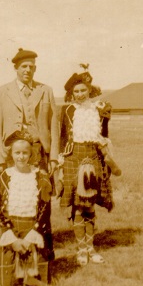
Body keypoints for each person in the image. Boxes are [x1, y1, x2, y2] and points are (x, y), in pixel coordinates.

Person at [0, 48, 59, 264]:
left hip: (39, 153)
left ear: (35, 68)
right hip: (13, 155)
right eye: (23, 67)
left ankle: (44, 255)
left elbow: (54, 125)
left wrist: (54, 157)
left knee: (42, 203)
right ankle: (12, 255)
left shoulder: (45, 90)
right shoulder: (1, 92)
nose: (27, 70)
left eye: (31, 67)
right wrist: (0, 160)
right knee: (11, 203)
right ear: (16, 68)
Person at [58, 66, 121, 266]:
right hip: (73, 158)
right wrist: (60, 162)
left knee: (90, 205)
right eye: (76, 91)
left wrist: (106, 156)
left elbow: (104, 134)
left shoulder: (100, 108)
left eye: (83, 90)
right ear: (71, 93)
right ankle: (81, 250)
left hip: (93, 157)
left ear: (89, 90)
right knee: (77, 207)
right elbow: (62, 136)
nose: (79, 94)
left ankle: (91, 248)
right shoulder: (67, 110)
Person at [0, 128, 52, 286]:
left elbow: (45, 208)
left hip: (32, 228)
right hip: (11, 228)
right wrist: (11, 237)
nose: (21, 157)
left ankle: (31, 278)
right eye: (17, 153)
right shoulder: (4, 176)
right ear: (11, 154)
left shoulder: (40, 176)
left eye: (25, 153)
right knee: (8, 284)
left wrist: (31, 236)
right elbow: (0, 207)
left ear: (31, 154)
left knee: (35, 281)